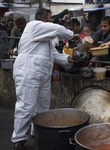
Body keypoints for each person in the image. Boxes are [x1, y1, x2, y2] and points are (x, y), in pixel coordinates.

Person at [11, 8, 79, 150]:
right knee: (26, 106)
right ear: (43, 19)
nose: (52, 20)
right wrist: (73, 36)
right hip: (28, 71)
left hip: (42, 75)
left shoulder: (46, 39)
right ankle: (19, 140)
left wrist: (68, 59)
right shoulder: (33, 26)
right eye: (50, 17)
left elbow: (54, 55)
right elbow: (57, 29)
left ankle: (37, 131)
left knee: (43, 106)